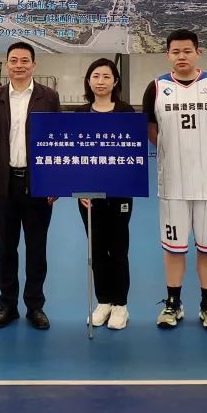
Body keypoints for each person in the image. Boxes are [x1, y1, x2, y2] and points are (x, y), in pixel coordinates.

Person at [143, 29, 207, 330]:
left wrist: (206, 155)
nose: (181, 56)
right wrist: (175, 155)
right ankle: (173, 303)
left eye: (187, 51)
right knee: (174, 248)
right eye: (175, 51)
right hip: (173, 183)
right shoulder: (156, 88)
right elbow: (152, 131)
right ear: (168, 55)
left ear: (198, 52)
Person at [0, 41, 62, 330]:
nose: (19, 65)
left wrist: (54, 181)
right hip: (4, 185)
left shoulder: (49, 97)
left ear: (34, 65)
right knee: (7, 248)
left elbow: (57, 140)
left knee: (36, 248)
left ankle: (35, 306)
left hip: (38, 184)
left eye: (24, 60)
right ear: (6, 64)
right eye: (14, 60)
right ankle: (7, 305)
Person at [75, 58, 137, 331]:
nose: (100, 81)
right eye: (96, 76)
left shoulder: (126, 112)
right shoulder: (80, 114)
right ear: (88, 81)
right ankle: (103, 302)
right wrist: (80, 190)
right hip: (89, 197)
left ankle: (121, 304)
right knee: (97, 249)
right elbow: (73, 154)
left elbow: (133, 153)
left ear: (115, 81)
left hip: (120, 194)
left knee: (119, 249)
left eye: (106, 76)